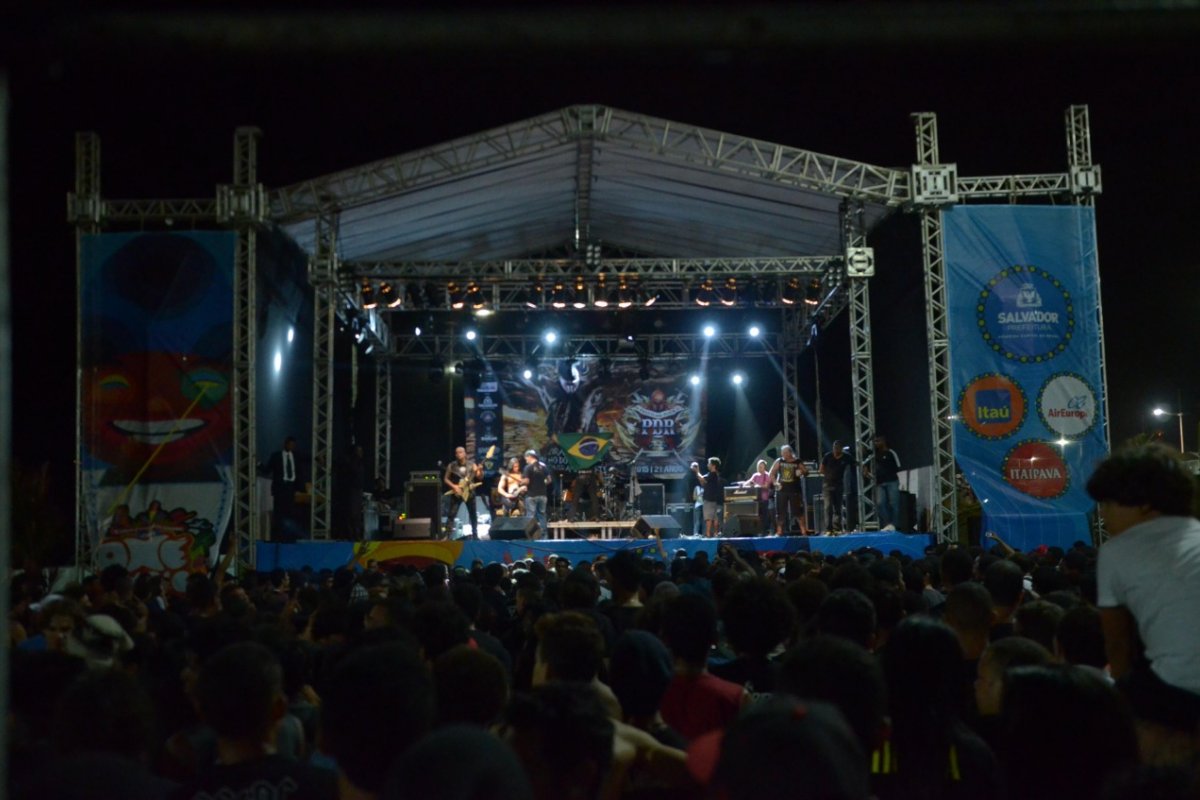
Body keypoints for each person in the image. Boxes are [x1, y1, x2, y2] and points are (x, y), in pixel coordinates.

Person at [1086, 443, 1200, 750]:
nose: (1104, 515)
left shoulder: (1115, 551)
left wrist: (1125, 695)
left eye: (1109, 504)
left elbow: (1117, 644)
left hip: (1181, 690)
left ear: (1146, 504)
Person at [264, 436, 302, 541]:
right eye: (290, 444)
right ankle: (277, 537)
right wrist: (258, 465)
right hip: (280, 488)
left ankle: (289, 536)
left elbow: (307, 459)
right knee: (279, 514)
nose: (291, 447)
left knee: (290, 513)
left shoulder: (296, 456)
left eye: (293, 445)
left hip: (290, 488)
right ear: (285, 444)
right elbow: (267, 470)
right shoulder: (276, 456)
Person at [443, 445, 483, 539]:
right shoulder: (452, 465)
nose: (458, 454)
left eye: (460, 452)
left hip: (469, 492)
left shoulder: (472, 464)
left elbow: (480, 477)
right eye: (456, 452)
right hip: (457, 493)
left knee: (473, 514)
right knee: (451, 514)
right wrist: (454, 486)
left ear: (465, 453)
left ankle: (475, 534)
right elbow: (445, 479)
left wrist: (480, 470)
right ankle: (447, 535)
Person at [768, 445, 809, 535]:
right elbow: (771, 473)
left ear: (790, 452)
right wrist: (775, 483)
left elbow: (806, 472)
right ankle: (779, 531)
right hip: (781, 491)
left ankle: (803, 531)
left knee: (797, 511)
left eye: (785, 453)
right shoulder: (779, 461)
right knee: (780, 512)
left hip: (794, 490)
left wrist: (802, 472)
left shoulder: (797, 461)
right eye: (782, 453)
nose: (783, 454)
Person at [820, 439, 854, 534]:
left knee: (837, 507)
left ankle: (837, 528)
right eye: (834, 448)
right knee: (828, 507)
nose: (836, 450)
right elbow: (821, 469)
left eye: (838, 448)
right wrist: (829, 474)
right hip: (827, 484)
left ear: (841, 449)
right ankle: (828, 528)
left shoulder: (846, 457)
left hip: (839, 484)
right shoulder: (828, 456)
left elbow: (855, 463)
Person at [871, 436, 901, 531]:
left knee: (894, 504)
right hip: (880, 483)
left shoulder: (891, 452)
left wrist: (887, 471)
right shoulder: (875, 455)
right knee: (880, 504)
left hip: (892, 481)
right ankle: (887, 524)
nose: (875, 443)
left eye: (877, 441)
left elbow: (898, 466)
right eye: (875, 442)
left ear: (883, 441)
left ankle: (894, 525)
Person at [692, 457, 724, 538]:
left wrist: (697, 470)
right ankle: (713, 534)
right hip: (712, 500)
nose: (707, 465)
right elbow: (703, 483)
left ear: (713, 466)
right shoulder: (711, 475)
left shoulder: (713, 474)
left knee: (709, 518)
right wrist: (698, 474)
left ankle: (708, 534)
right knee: (714, 518)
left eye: (709, 463)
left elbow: (702, 479)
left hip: (709, 500)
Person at [742, 459, 775, 535]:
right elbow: (748, 483)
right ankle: (758, 531)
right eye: (759, 466)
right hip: (755, 500)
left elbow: (766, 486)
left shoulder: (767, 475)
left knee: (764, 517)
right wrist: (745, 484)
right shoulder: (755, 475)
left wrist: (756, 485)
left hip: (764, 499)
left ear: (764, 467)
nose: (760, 468)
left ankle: (765, 531)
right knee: (757, 516)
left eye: (762, 466)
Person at [522, 449, 550, 535]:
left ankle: (531, 535)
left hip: (532, 495)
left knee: (530, 516)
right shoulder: (543, 467)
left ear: (530, 457)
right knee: (542, 515)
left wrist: (521, 482)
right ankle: (544, 536)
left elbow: (526, 481)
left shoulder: (528, 468)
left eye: (526, 458)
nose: (526, 460)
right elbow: (549, 480)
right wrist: (542, 484)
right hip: (543, 495)